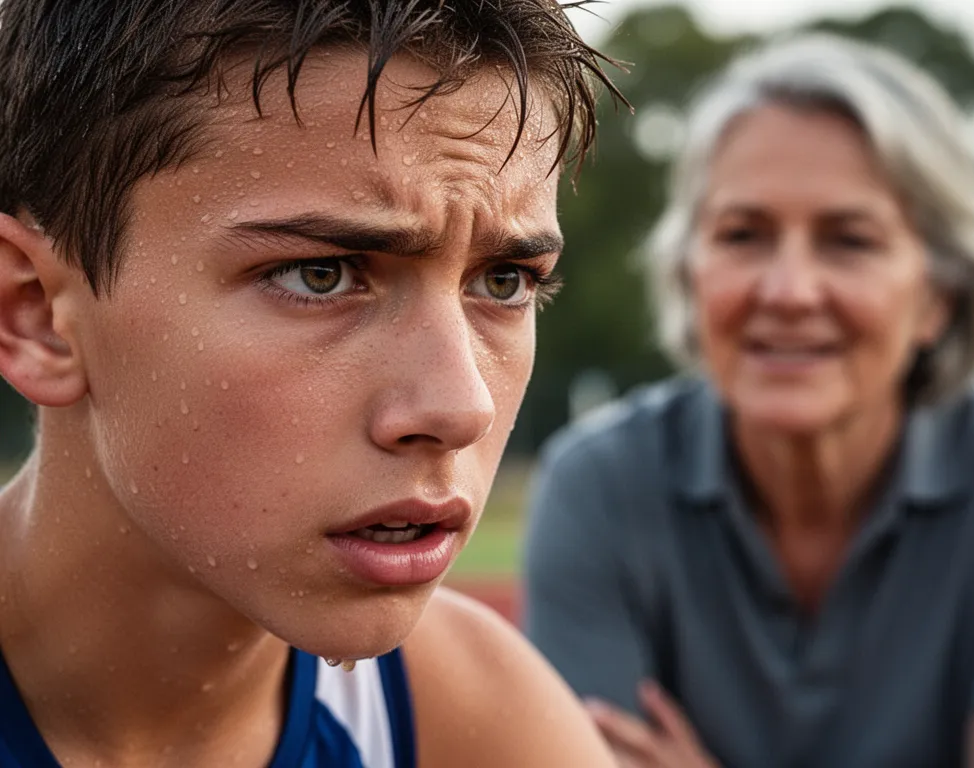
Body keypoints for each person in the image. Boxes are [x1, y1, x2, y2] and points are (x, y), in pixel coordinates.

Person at [0, 1, 626, 766]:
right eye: (320, 275)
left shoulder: (475, 722)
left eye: (503, 282)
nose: (461, 405)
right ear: (31, 314)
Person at [524, 32, 974, 768]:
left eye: (849, 240)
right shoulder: (600, 486)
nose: (787, 291)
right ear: (690, 273)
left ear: (939, 299)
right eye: (743, 234)